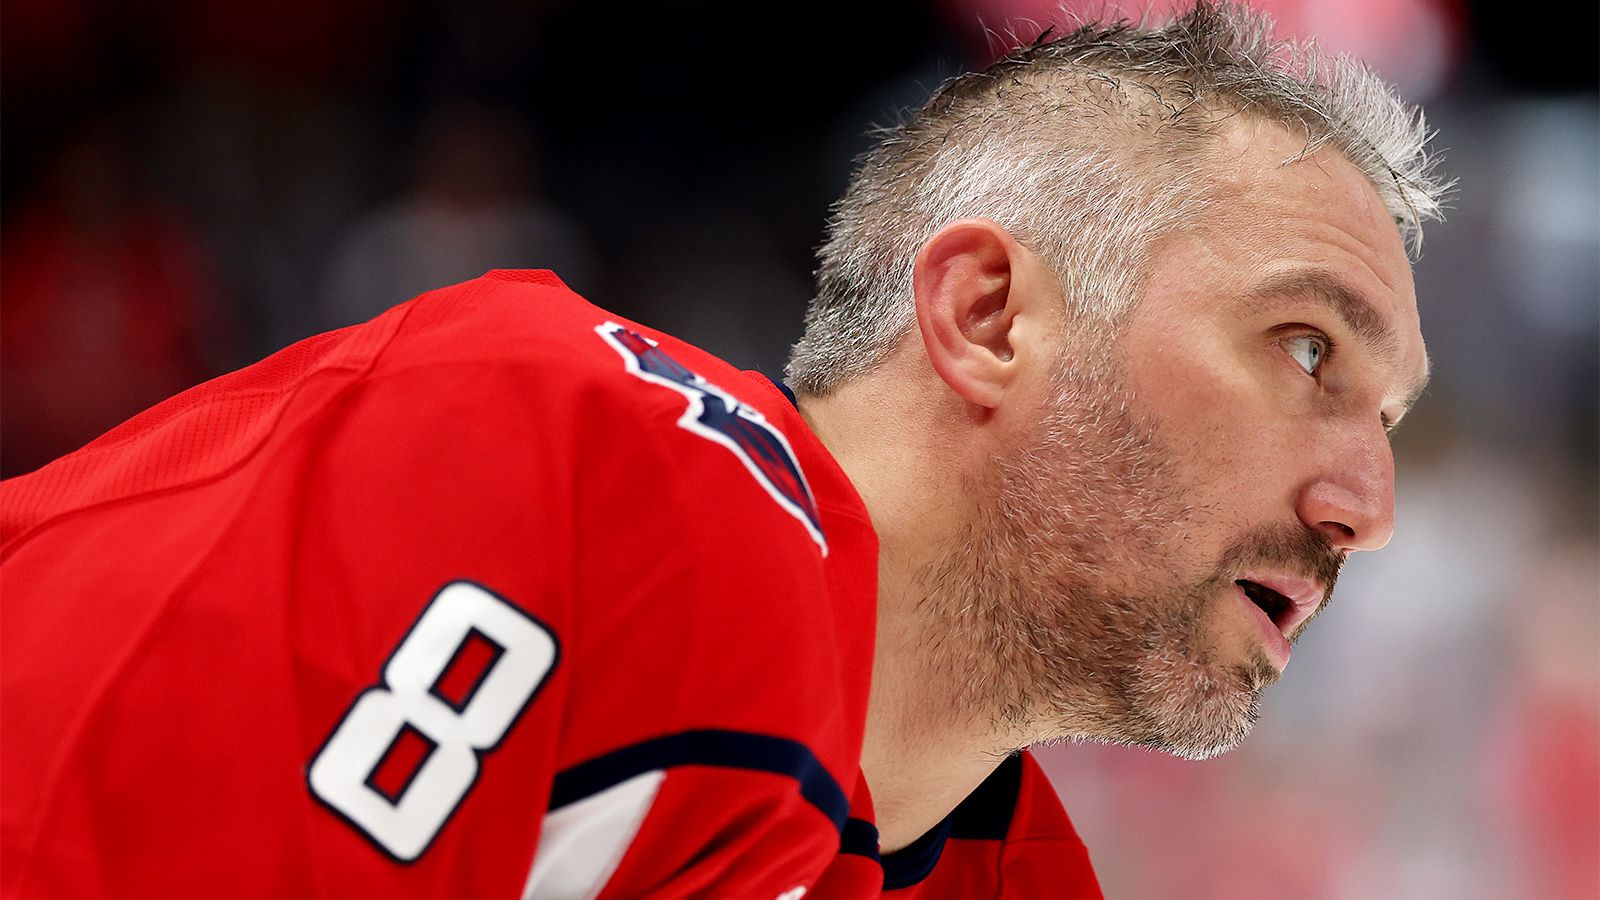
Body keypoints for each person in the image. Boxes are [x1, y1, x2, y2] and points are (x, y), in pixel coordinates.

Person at [0, 3, 1448, 897]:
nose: (1368, 507)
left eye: (1387, 418)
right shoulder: (580, 454)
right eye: (1306, 349)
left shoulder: (1019, 877)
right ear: (988, 316)